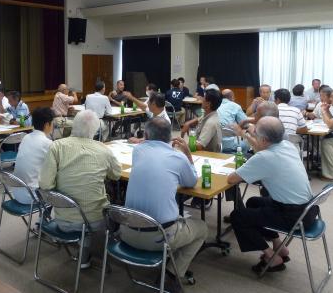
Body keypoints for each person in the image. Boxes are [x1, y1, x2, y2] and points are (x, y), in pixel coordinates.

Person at [121, 118, 208, 291]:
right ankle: (172, 273)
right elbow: (191, 182)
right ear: (170, 136)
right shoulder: (178, 157)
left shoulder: (138, 151)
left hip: (126, 232)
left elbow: (146, 144)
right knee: (203, 228)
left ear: (145, 135)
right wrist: (188, 156)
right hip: (159, 238)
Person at [227, 117, 316, 274]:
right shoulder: (288, 145)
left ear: (264, 139)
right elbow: (262, 148)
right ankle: (278, 246)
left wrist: (245, 135)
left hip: (292, 216)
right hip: (308, 210)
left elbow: (231, 179)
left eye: (255, 132)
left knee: (237, 216)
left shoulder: (265, 158)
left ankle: (271, 258)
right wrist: (245, 134)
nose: (252, 131)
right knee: (254, 202)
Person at [39, 110, 122, 267]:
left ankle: (84, 250)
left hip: (63, 219)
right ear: (96, 131)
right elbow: (116, 175)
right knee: (114, 203)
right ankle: (99, 250)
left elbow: (45, 185)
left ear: (73, 125)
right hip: (95, 221)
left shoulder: (56, 146)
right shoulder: (104, 150)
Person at [12, 107, 54, 204]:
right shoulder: (48, 143)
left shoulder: (26, 137)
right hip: (32, 196)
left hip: (16, 192)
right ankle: (44, 218)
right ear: (47, 124)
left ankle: (44, 217)